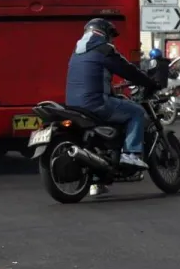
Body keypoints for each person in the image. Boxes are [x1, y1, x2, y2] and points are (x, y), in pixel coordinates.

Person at [64, 17, 157, 169]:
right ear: (104, 33)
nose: (112, 40)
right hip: (95, 103)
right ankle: (130, 154)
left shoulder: (77, 52)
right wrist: (149, 82)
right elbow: (128, 70)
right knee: (136, 112)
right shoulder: (104, 49)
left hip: (73, 105)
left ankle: (96, 181)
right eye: (111, 36)